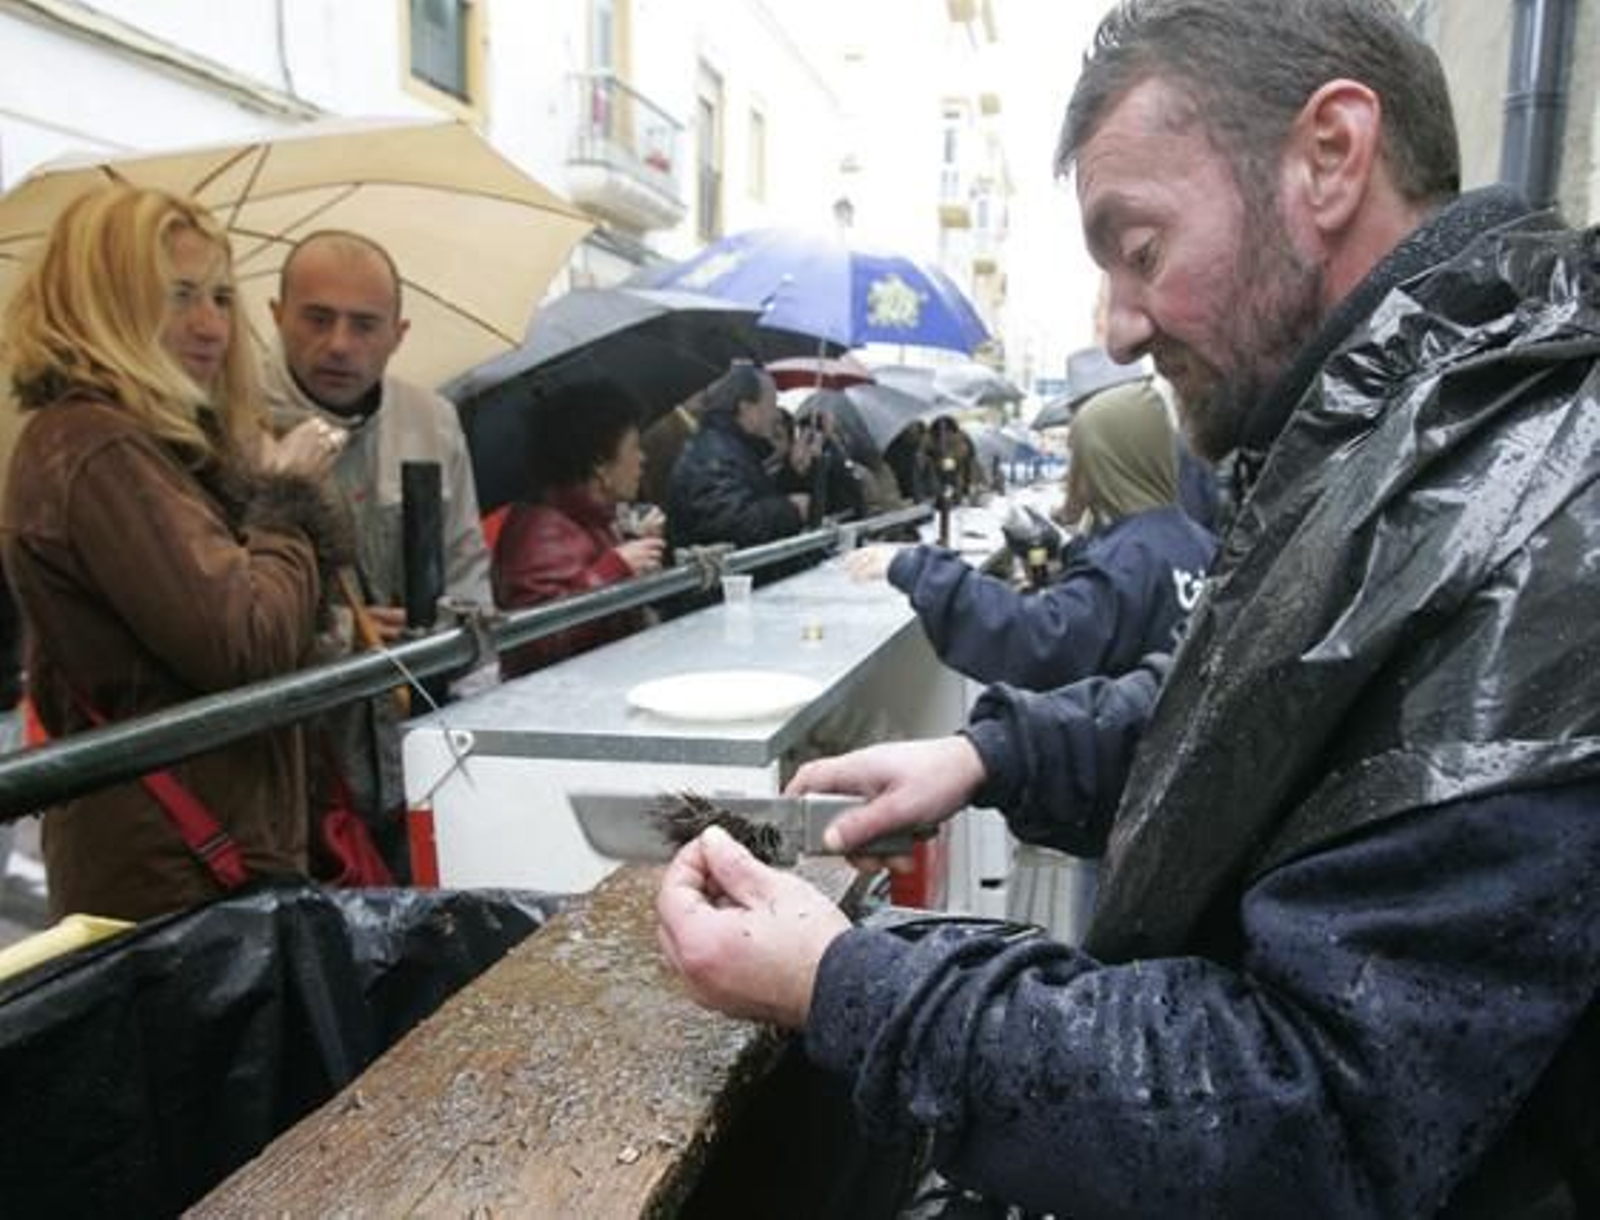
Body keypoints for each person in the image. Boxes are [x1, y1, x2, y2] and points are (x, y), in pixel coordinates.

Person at [656, 2, 1600, 1215]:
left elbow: (1311, 1114)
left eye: (1138, 247)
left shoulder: (1544, 490)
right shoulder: (1393, 432)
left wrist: (844, 982)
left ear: (1328, 156)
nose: (1113, 329)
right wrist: (991, 753)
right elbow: (1268, 706)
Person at [0, 185, 350, 922]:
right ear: (107, 303)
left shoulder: (145, 444)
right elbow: (244, 641)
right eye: (178, 295)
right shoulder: (97, 447)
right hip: (172, 869)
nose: (211, 325)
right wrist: (286, 499)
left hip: (200, 847)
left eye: (221, 297)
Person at [263, 229, 493, 877]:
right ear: (277, 315)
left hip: (415, 743)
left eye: (364, 325)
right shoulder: (234, 422)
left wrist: (463, 683)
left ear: (398, 333)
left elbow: (468, 570)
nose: (340, 343)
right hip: (293, 766)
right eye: (317, 318)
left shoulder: (432, 420)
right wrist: (341, 633)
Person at [848, 378, 1215, 690]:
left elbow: (1036, 640)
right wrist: (1068, 551)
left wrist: (917, 567)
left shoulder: (1129, 559)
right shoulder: (1199, 543)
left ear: (1106, 462)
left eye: (1079, 456)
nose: (1071, 472)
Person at [492, 384, 665, 677]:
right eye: (634, 447)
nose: (642, 458)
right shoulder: (542, 533)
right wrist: (614, 569)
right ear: (600, 465)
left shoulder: (589, 517)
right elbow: (537, 642)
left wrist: (634, 555)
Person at [665, 363, 809, 550]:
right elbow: (728, 524)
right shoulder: (712, 453)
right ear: (746, 408)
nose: (775, 414)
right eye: (771, 404)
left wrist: (793, 470)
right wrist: (789, 511)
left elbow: (756, 495)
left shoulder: (734, 447)